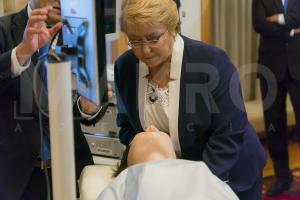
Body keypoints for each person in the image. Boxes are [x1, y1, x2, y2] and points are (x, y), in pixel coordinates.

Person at [114, 0, 266, 199]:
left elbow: (229, 133)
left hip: (229, 170)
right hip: (171, 180)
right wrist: (149, 154)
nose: (145, 51)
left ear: (173, 29)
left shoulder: (211, 61)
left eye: (153, 39)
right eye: (135, 40)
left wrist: (193, 186)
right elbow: (126, 127)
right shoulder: (124, 67)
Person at [0, 1, 98, 199]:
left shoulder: (80, 33)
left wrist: (88, 107)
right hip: (15, 179)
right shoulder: (4, 30)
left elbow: (85, 109)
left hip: (71, 172)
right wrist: (20, 54)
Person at [97, 127, 239, 200]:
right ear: (128, 163)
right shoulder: (125, 180)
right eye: (140, 132)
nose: (151, 127)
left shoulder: (202, 171)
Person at [252, 0, 300, 196]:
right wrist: (291, 31)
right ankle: (283, 176)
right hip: (270, 69)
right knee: (274, 125)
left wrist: (278, 19)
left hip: (298, 67)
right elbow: (259, 24)